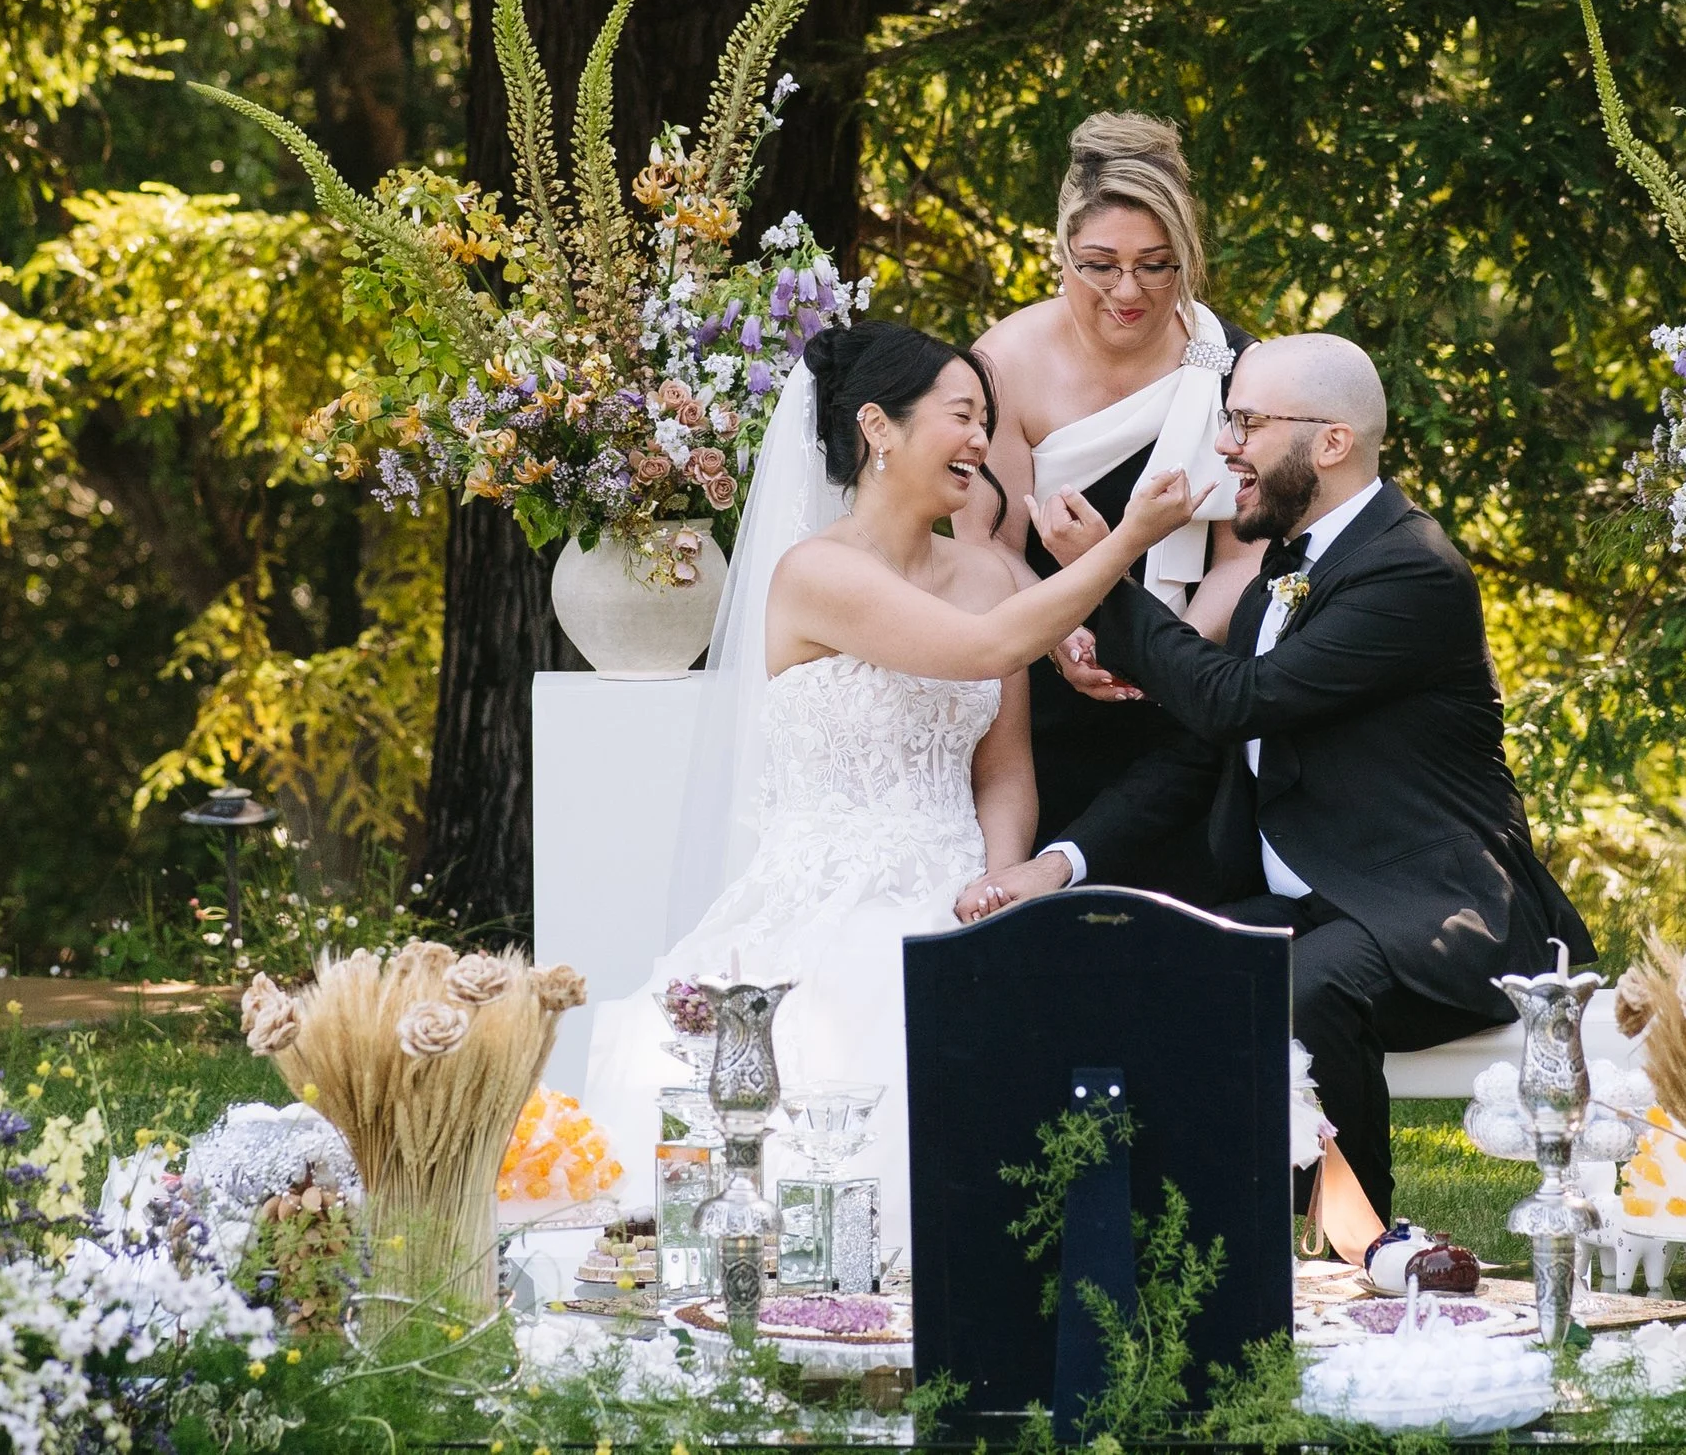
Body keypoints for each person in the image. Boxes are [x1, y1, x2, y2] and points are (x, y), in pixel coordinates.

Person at [584, 321, 1199, 1266]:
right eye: (961, 416)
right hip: (825, 898)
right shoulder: (817, 574)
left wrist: (1001, 895)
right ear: (877, 426)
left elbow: (1003, 771)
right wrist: (1127, 543)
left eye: (988, 420)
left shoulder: (991, 571)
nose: (981, 443)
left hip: (959, 888)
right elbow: (988, 649)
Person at [961, 334, 1595, 1219]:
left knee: (1302, 983)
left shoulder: (1410, 567)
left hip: (1438, 909)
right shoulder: (1282, 572)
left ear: (1330, 443)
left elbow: (1236, 699)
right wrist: (1058, 861)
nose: (1225, 444)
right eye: (1228, 420)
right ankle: (1164, 1232)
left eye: (1247, 422)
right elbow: (1196, 752)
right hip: (1324, 906)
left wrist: (1102, 575)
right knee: (1147, 956)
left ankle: (1354, 1250)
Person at [956, 112, 1263, 902]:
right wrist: (1066, 638)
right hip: (1044, 693)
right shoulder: (1006, 365)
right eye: (1100, 265)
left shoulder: (1230, 365)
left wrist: (1164, 658)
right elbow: (984, 546)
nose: (1128, 291)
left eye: (1157, 267)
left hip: (1190, 702)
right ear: (1061, 253)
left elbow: (1244, 556)